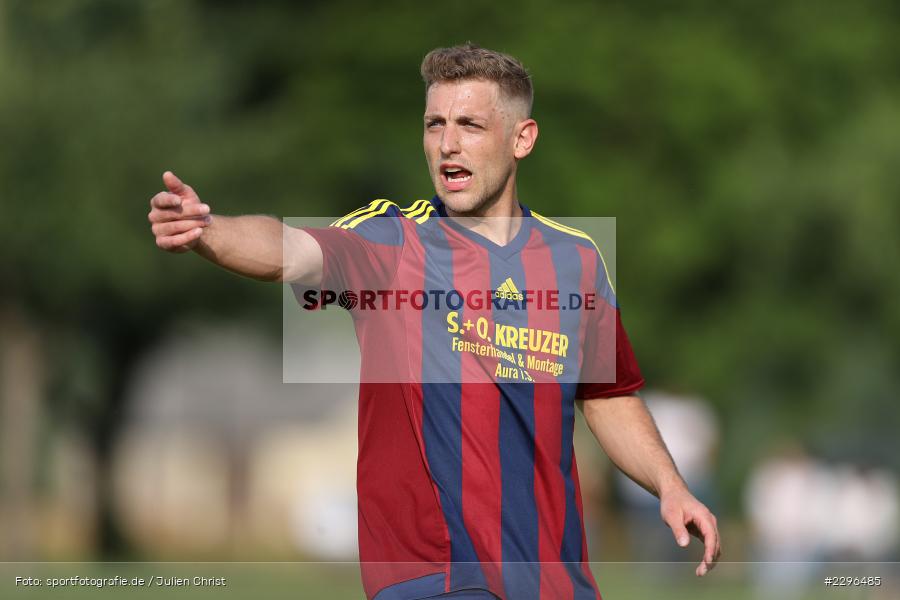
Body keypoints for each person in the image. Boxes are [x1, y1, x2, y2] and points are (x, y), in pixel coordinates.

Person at [147, 43, 720, 600]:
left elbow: (608, 397)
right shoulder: (392, 240)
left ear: (522, 138)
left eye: (469, 124)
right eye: (434, 123)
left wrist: (670, 486)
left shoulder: (576, 261)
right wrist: (209, 230)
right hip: (431, 577)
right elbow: (295, 251)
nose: (447, 144)